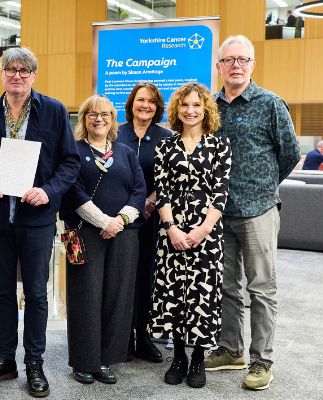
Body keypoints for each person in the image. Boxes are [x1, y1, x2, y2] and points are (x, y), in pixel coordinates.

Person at [0, 47, 80, 398]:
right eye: (10, 69)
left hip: (36, 219)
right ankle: (5, 359)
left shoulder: (55, 111)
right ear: (1, 74)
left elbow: (70, 163)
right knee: (2, 291)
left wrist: (48, 191)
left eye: (24, 70)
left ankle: (34, 362)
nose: (17, 75)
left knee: (35, 293)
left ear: (34, 75)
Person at [206, 35, 300, 391]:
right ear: (219, 67)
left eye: (242, 60)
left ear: (252, 64)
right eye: (229, 60)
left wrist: (263, 184)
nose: (236, 66)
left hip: (259, 209)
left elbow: (290, 153)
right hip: (218, 211)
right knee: (227, 287)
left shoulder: (271, 103)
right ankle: (231, 350)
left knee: (261, 288)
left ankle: (262, 360)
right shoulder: (210, 106)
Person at [149, 82, 232, 389]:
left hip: (207, 232)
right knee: (173, 294)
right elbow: (163, 191)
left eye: (197, 105)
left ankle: (198, 357)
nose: (191, 110)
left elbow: (221, 192)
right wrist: (171, 228)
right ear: (177, 109)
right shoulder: (165, 146)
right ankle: (178, 356)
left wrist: (203, 229)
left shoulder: (220, 146)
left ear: (206, 109)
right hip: (172, 230)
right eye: (185, 105)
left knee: (203, 295)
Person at [60, 95, 145, 386]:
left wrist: (120, 221)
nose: (99, 119)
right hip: (85, 234)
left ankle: (107, 359)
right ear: (84, 118)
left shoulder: (125, 153)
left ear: (112, 119)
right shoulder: (73, 150)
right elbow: (73, 191)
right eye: (93, 114)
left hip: (124, 235)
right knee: (86, 297)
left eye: (105, 114)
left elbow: (139, 190)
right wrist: (103, 222)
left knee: (117, 297)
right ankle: (84, 362)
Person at [117, 82, 172, 363]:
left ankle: (144, 335)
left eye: (151, 101)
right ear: (131, 103)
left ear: (157, 106)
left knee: (146, 277)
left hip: (150, 218)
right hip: (118, 219)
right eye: (140, 100)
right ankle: (122, 337)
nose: (145, 105)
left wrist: (146, 204)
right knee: (122, 278)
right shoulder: (116, 133)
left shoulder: (166, 137)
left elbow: (169, 179)